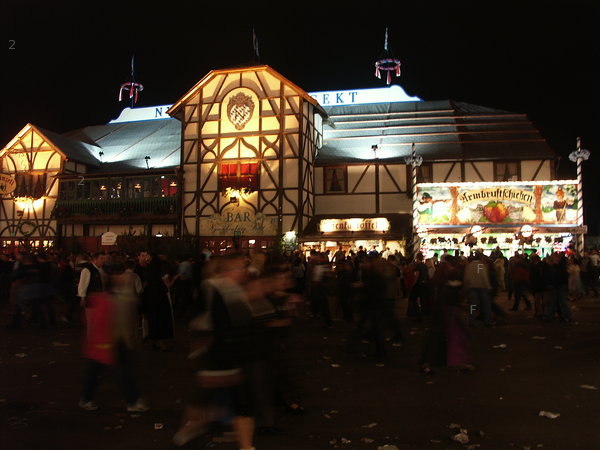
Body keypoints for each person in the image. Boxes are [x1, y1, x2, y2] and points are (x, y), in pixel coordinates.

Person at [173, 253, 258, 450]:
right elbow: (212, 327)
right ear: (226, 270)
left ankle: (242, 443)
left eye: (244, 267)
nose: (244, 271)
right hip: (219, 359)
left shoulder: (233, 290)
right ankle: (189, 433)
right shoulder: (216, 289)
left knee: (237, 406)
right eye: (240, 267)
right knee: (214, 404)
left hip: (227, 359)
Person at [78, 259, 149, 413]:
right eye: (121, 274)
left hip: (115, 340)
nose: (125, 276)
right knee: (103, 371)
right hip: (107, 341)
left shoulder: (117, 296)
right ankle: (131, 400)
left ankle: (131, 400)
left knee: (116, 371)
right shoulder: (108, 299)